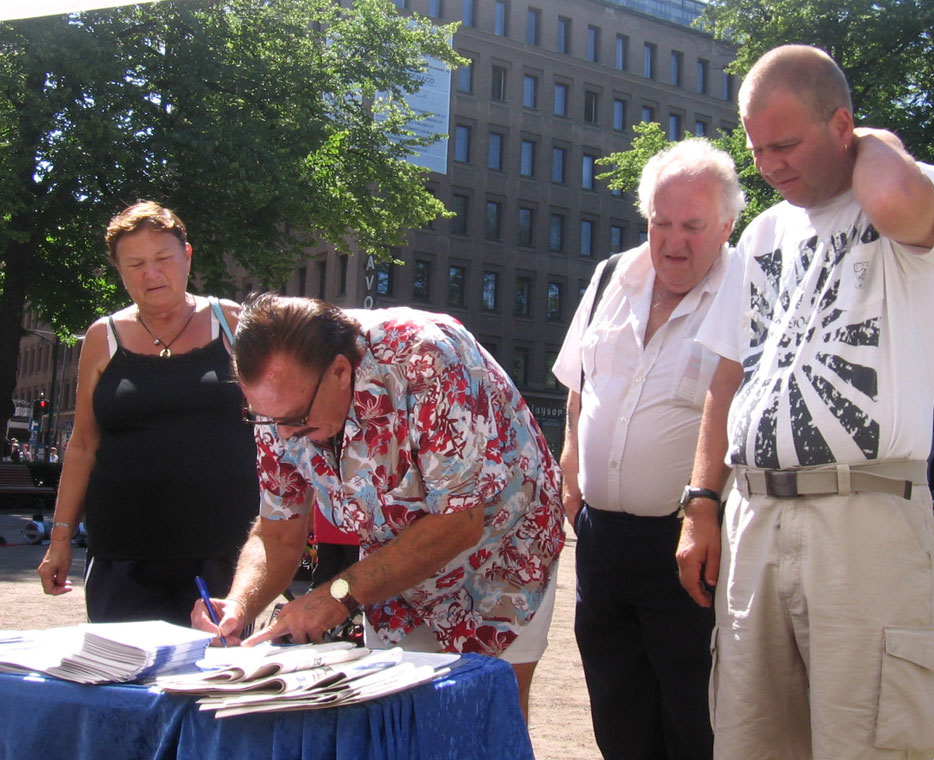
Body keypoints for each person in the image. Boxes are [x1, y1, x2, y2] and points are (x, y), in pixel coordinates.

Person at [675, 45, 934, 759]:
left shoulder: (921, 193)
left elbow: (892, 198)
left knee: (866, 743)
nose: (768, 165)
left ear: (842, 127)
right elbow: (729, 378)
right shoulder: (764, 233)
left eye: (786, 144)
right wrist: (701, 503)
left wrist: (874, 139)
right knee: (747, 743)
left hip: (863, 518)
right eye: (756, 148)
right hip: (755, 516)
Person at [191, 294, 564, 718]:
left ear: (340, 371)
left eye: (296, 419)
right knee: (396, 719)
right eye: (265, 417)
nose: (284, 435)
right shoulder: (281, 406)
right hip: (396, 565)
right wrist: (239, 604)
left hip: (504, 548)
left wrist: (335, 595)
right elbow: (278, 533)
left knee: (490, 715)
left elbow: (460, 521)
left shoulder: (427, 357)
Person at [552, 139, 744, 760]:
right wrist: (571, 463)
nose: (674, 242)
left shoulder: (746, 290)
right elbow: (580, 384)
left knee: (694, 720)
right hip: (602, 541)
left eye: (693, 226)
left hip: (688, 545)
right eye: (662, 223)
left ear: (726, 225)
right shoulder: (612, 276)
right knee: (617, 713)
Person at [36, 201, 259, 627]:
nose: (151, 274)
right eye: (135, 264)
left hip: (220, 550)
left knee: (215, 665)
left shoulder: (234, 324)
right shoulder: (103, 337)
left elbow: (276, 426)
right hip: (123, 553)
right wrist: (60, 539)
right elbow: (83, 444)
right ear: (119, 271)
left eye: (163, 259)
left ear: (187, 256)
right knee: (122, 664)